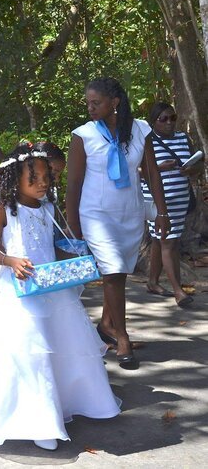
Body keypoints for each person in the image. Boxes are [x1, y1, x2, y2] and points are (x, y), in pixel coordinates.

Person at [0, 144, 120, 450]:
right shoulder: (3, 210)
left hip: (53, 289)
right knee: (30, 354)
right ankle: (39, 420)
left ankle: (69, 401)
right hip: (20, 293)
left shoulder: (48, 208)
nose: (44, 183)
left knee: (61, 346)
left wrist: (74, 254)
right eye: (35, 178)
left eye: (48, 176)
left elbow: (51, 246)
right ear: (14, 179)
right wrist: (12, 261)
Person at [66, 77, 170, 370]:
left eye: (95, 103)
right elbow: (73, 184)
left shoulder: (139, 130)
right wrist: (73, 225)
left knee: (119, 273)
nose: (90, 108)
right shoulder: (83, 135)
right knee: (112, 270)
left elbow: (152, 174)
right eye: (88, 103)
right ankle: (122, 336)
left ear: (115, 102)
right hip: (96, 213)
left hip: (130, 213)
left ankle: (106, 325)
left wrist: (161, 212)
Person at [143, 102, 204, 307]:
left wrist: (191, 169)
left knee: (162, 239)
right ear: (154, 122)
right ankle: (179, 292)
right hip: (156, 201)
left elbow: (197, 166)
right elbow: (135, 171)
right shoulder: (147, 140)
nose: (169, 123)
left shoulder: (183, 138)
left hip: (180, 198)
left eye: (172, 118)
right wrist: (158, 168)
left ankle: (152, 282)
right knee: (170, 242)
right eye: (163, 119)